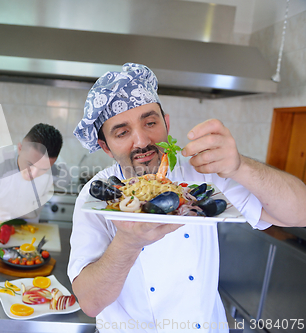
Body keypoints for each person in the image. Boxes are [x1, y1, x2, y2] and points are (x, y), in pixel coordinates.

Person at [68, 63, 306, 333]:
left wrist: (241, 166)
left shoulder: (204, 172)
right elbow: (90, 302)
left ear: (166, 123)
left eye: (150, 122)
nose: (142, 140)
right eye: (122, 132)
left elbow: (299, 213)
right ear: (105, 147)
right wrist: (128, 242)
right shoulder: (95, 196)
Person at [0, 123, 64, 289]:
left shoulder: (55, 166)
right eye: (30, 164)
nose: (33, 174)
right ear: (19, 148)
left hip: (31, 231)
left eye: (43, 169)